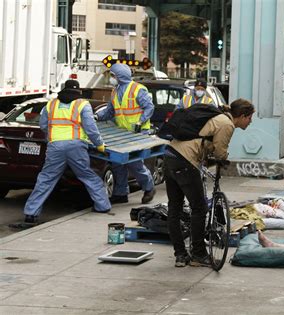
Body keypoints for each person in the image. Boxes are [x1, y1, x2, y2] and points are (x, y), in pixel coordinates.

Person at [165, 98, 255, 268]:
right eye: (250, 118)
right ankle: (198, 254)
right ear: (242, 116)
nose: (250, 122)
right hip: (185, 161)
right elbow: (220, 153)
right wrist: (222, 159)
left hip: (170, 155)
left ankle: (180, 254)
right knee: (199, 208)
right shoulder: (226, 124)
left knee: (174, 208)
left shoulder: (217, 117)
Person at [22, 80, 111, 226]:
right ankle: (103, 206)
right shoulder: (82, 104)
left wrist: (52, 138)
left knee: (46, 179)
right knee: (87, 175)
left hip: (55, 146)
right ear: (79, 92)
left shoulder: (51, 104)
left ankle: (31, 213)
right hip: (76, 146)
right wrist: (99, 144)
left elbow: (43, 125)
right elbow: (90, 128)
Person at [96, 63, 156, 204]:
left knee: (134, 163)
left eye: (113, 75)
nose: (111, 78)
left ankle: (149, 188)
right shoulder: (115, 91)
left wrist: (140, 122)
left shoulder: (138, 89)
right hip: (122, 133)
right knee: (118, 163)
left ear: (120, 76)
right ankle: (121, 193)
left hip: (138, 133)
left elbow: (149, 108)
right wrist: (98, 116)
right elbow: (111, 111)